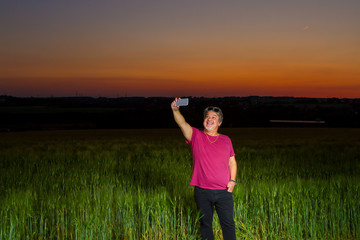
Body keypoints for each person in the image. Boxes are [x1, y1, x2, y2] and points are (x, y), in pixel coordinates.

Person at [171, 98, 237, 240]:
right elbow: (182, 123)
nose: (209, 119)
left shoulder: (226, 140)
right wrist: (175, 110)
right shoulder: (196, 136)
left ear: (219, 123)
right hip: (202, 192)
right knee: (205, 224)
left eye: (214, 117)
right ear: (203, 120)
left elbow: (232, 162)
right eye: (207, 117)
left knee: (228, 224)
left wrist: (232, 181)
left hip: (224, 192)